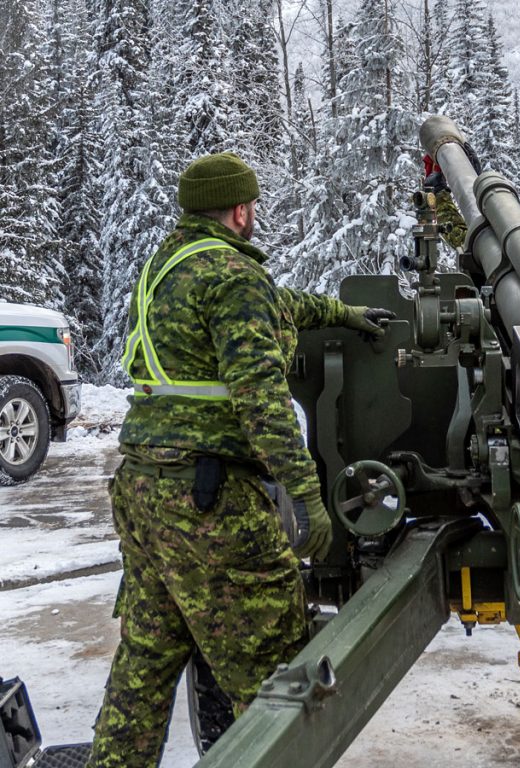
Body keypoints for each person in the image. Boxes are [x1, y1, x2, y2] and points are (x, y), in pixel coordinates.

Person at [86, 152, 394, 768]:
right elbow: (262, 401)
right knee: (275, 679)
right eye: (251, 204)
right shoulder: (233, 276)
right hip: (210, 502)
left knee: (144, 669)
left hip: (144, 493)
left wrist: (341, 313)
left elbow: (278, 305)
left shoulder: (167, 267)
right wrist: (306, 495)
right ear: (240, 210)